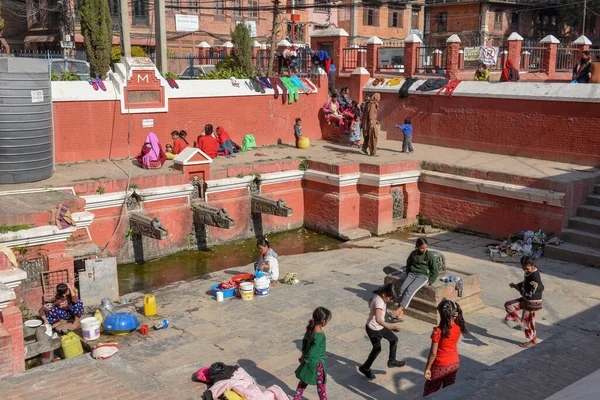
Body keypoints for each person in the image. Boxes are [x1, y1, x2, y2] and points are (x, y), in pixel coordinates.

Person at [358, 283, 406, 380]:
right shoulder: (379, 302)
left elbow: (372, 300)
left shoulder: (379, 297)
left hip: (379, 327)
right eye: (390, 298)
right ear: (384, 294)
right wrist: (392, 327)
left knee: (394, 339)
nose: (391, 300)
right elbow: (378, 320)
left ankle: (392, 361)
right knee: (377, 349)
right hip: (373, 329)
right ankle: (365, 368)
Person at [423, 299, 468, 397]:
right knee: (449, 391)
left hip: (440, 365)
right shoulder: (458, 326)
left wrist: (427, 368)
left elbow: (433, 353)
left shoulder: (438, 331)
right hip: (454, 363)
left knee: (430, 392)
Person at [393, 238, 440, 321]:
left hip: (423, 276)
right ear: (417, 247)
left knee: (409, 291)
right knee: (402, 289)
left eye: (426, 248)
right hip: (412, 274)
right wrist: (408, 273)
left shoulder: (429, 256)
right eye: (422, 248)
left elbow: (435, 270)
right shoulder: (413, 254)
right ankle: (400, 314)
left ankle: (399, 310)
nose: (424, 250)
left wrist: (431, 281)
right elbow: (408, 264)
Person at [505, 256, 544, 348]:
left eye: (527, 269)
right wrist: (516, 286)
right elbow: (525, 283)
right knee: (508, 305)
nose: (525, 271)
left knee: (527, 322)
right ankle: (517, 321)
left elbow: (541, 286)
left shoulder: (535, 275)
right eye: (524, 269)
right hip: (526, 299)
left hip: (532, 302)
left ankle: (533, 340)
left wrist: (536, 287)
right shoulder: (529, 273)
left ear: (533, 266)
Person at [294, 307, 332, 400]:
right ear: (323, 322)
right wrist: (306, 358)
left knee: (303, 381)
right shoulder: (320, 335)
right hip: (317, 364)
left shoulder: (310, 330)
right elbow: (313, 351)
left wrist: (303, 356)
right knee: (321, 385)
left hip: (307, 361)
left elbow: (305, 343)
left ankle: (296, 397)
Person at [361, 93, 381, 157]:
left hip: (368, 122)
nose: (379, 99)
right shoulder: (373, 104)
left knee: (367, 136)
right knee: (373, 137)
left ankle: (364, 148)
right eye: (379, 97)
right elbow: (371, 113)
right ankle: (373, 152)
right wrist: (372, 121)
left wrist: (375, 120)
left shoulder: (369, 103)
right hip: (370, 123)